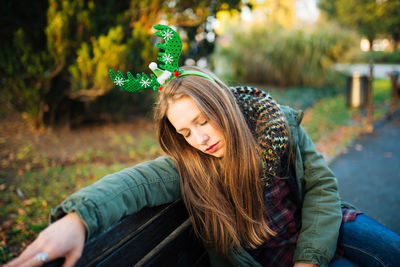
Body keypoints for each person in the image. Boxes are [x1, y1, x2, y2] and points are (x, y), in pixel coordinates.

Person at [5, 26, 400, 267]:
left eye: (202, 122)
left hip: (324, 227)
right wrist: (77, 220)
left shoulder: (276, 122)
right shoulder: (191, 164)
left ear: (223, 106)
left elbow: (320, 189)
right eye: (185, 133)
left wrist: (309, 259)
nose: (200, 139)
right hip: (271, 256)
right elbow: (132, 184)